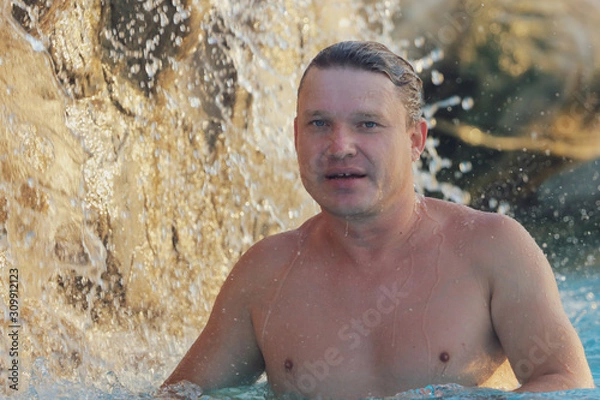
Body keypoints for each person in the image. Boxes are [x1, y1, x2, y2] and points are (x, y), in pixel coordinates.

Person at [162, 41, 594, 398]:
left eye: (367, 124)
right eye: (319, 124)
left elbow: (567, 384)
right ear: (296, 137)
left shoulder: (492, 249)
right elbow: (178, 395)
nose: (340, 145)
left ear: (415, 140)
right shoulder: (265, 274)